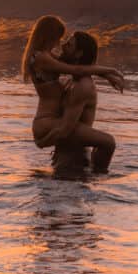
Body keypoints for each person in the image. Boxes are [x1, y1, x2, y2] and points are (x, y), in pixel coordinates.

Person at [23, 15, 123, 173]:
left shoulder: (45, 57)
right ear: (48, 37)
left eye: (65, 42)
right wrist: (110, 70)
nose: (60, 44)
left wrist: (105, 75)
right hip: (47, 121)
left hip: (49, 122)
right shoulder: (42, 58)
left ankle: (97, 174)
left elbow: (75, 65)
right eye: (58, 38)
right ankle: (100, 176)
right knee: (109, 142)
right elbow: (76, 68)